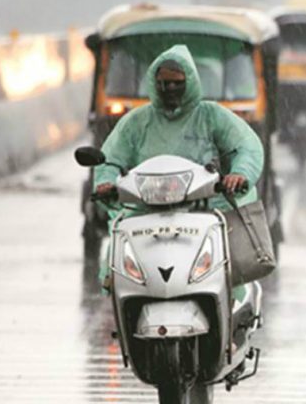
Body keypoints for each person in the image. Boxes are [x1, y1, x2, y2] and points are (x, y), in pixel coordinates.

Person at [93, 44, 265, 308]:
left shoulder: (211, 116)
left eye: (177, 84)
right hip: (145, 211)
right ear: (154, 83)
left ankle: (231, 319)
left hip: (203, 209)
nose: (169, 90)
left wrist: (239, 174)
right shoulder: (137, 122)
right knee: (117, 258)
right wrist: (106, 181)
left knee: (227, 263)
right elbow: (112, 158)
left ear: (191, 82)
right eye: (163, 84)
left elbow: (246, 146)